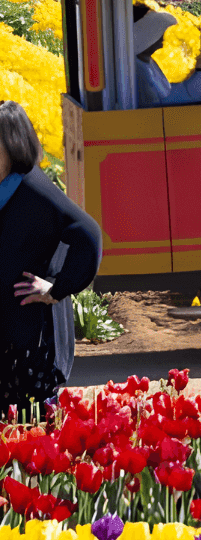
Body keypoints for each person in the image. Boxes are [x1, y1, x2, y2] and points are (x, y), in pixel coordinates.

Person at [0, 100, 102, 421]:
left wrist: (56, 288)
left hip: (27, 343)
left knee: (33, 434)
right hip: (6, 336)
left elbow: (88, 234)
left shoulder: (35, 190)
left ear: (12, 145)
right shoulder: (4, 187)